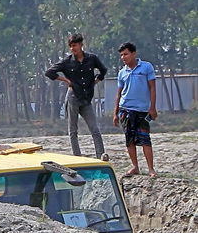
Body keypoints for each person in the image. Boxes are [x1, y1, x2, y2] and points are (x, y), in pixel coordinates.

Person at [45, 33, 108, 159]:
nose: (73, 48)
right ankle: (77, 156)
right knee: (73, 129)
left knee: (95, 129)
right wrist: (66, 80)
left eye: (75, 45)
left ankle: (101, 155)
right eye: (71, 46)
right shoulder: (67, 62)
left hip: (86, 98)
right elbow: (49, 72)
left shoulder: (91, 58)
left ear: (81, 45)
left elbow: (103, 70)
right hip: (73, 96)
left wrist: (95, 81)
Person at [113, 42, 158, 178]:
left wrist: (153, 107)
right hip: (125, 109)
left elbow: (152, 88)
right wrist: (115, 113)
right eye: (121, 55)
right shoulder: (122, 73)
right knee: (129, 139)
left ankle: (151, 169)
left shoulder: (146, 67)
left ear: (133, 54)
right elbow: (118, 94)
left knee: (145, 138)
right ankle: (135, 166)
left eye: (126, 54)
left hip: (142, 110)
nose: (123, 57)